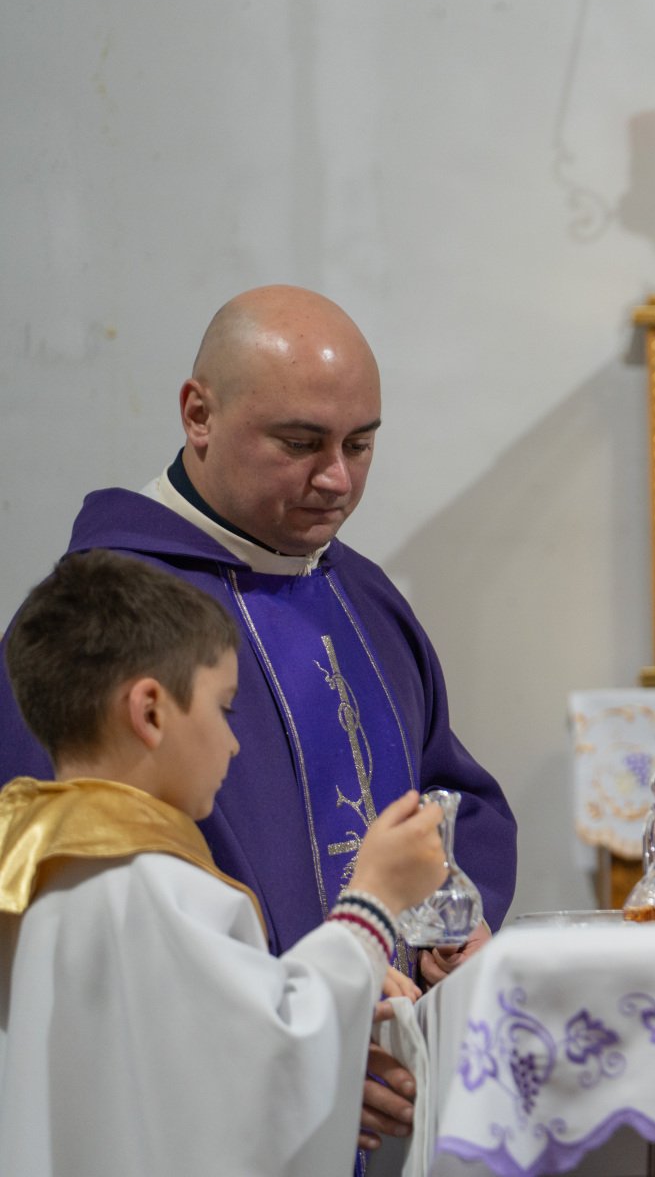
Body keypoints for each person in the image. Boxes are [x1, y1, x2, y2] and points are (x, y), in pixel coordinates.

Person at [0, 284, 517, 1150]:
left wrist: (445, 926)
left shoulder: (361, 595)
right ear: (198, 414)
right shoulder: (107, 624)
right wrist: (303, 1064)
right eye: (301, 443)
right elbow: (87, 939)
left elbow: (447, 793)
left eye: (360, 444)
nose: (337, 479)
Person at [0, 550, 450, 1175]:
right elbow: (269, 1063)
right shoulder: (147, 884)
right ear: (150, 711)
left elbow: (174, 1077)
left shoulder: (39, 873)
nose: (234, 742)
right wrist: (373, 903)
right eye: (224, 707)